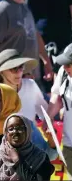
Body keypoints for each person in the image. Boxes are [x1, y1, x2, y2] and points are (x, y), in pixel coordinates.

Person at [0, 49, 48, 122]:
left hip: (31, 133)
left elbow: (44, 111)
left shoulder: (31, 85)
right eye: (13, 68)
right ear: (2, 72)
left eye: (21, 67)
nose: (18, 72)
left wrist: (48, 125)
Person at [0, 114, 55, 180]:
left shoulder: (40, 158)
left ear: (27, 131)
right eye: (11, 129)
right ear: (5, 133)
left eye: (20, 128)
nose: (15, 132)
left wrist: (17, 161)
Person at [45, 43, 72, 179]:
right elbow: (57, 97)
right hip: (69, 144)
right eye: (63, 64)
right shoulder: (63, 72)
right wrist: (48, 117)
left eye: (68, 64)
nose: (65, 67)